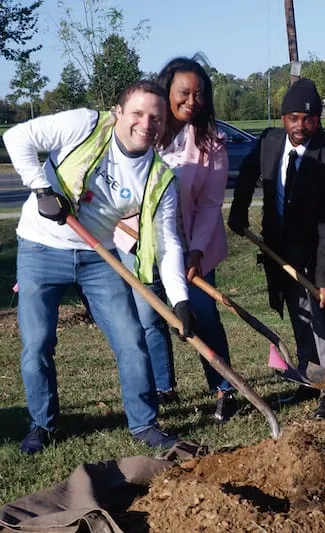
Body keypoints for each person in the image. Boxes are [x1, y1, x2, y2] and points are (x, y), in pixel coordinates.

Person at [4, 80, 191, 454]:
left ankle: (144, 424)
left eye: (155, 117)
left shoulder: (160, 178)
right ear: (118, 113)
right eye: (137, 113)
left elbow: (168, 243)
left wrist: (181, 302)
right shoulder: (84, 125)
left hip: (99, 258)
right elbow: (16, 137)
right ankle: (43, 424)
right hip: (42, 248)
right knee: (37, 344)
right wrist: (42, 189)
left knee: (131, 339)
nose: (146, 123)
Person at [114, 58, 238, 423]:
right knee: (150, 318)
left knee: (202, 315)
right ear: (166, 91)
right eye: (183, 92)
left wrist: (195, 251)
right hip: (139, 247)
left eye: (199, 94)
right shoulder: (140, 134)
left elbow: (211, 202)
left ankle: (224, 388)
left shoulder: (210, 142)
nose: (191, 100)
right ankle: (164, 386)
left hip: (192, 248)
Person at [228, 78, 325, 420]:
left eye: (309, 119)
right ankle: (307, 379)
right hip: (280, 249)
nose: (301, 126)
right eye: (293, 118)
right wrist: (239, 211)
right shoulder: (270, 141)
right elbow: (246, 174)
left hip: (318, 253)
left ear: (318, 120)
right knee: (299, 316)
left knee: (322, 320)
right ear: (284, 117)